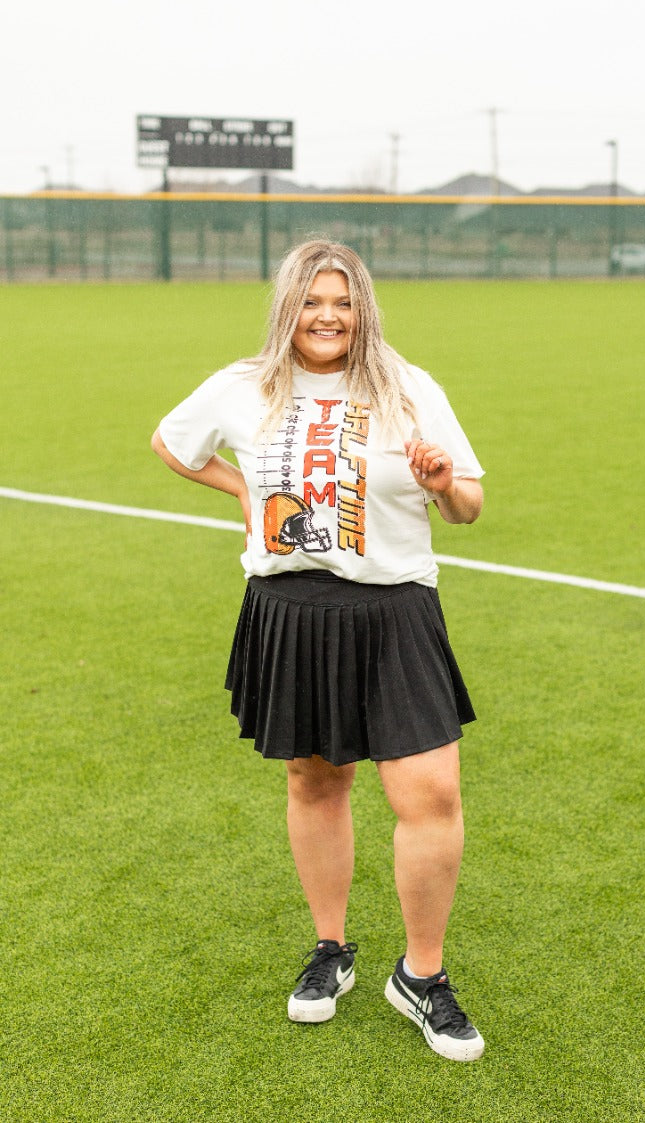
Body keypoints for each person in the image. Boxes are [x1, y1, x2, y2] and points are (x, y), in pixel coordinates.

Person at [151, 240, 485, 1063]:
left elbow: (468, 506)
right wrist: (242, 488)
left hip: (394, 610)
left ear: (362, 308)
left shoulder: (407, 387)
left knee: (431, 793)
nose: (326, 316)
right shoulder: (243, 386)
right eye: (310, 301)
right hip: (290, 609)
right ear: (286, 308)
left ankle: (422, 974)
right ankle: (330, 947)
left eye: (342, 301)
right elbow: (171, 443)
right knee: (314, 778)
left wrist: (441, 481)